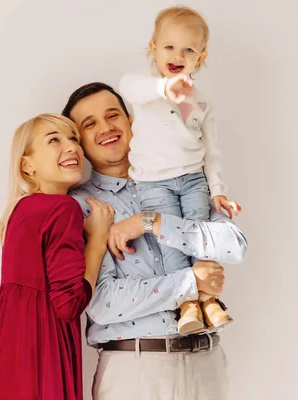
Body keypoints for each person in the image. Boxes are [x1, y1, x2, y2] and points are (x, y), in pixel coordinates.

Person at [62, 83, 248, 400]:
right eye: (90, 124)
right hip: (135, 371)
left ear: (131, 121)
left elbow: (232, 244)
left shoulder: (184, 178)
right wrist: (191, 281)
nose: (106, 128)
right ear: (79, 143)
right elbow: (102, 302)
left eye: (113, 115)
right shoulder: (80, 207)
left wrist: (153, 222)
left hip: (207, 363)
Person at [0, 113, 114, 400]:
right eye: (54, 140)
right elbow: (68, 304)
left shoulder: (18, 213)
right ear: (27, 165)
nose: (72, 147)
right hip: (41, 354)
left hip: (7, 354)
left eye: (73, 139)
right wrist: (97, 240)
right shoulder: (62, 209)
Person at [118, 6, 242, 334]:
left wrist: (218, 190)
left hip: (193, 180)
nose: (178, 54)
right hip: (153, 183)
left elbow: (212, 152)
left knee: (199, 237)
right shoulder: (144, 87)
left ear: (200, 57)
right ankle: (187, 304)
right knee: (170, 241)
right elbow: (128, 87)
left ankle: (208, 301)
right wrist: (165, 88)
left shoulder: (202, 103)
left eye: (188, 49)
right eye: (169, 46)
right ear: (153, 48)